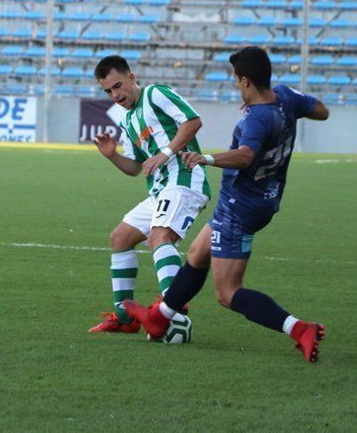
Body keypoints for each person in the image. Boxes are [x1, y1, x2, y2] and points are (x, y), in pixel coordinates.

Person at [125, 46, 330, 363]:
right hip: (264, 196)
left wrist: (205, 158)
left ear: (246, 80)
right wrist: (279, 107)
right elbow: (321, 111)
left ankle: (301, 328)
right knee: (196, 254)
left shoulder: (257, 120)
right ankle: (161, 315)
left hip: (240, 208)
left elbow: (246, 156)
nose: (236, 86)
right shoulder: (285, 97)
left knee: (228, 292)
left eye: (237, 81)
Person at [88, 55, 211, 333]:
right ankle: (125, 317)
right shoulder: (128, 120)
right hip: (160, 188)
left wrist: (165, 153)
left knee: (159, 237)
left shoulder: (156, 94)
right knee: (119, 238)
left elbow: (192, 121)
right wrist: (112, 156)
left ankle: (173, 308)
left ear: (131, 77)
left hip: (184, 178)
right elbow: (134, 168)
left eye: (118, 85)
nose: (115, 94)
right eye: (108, 91)